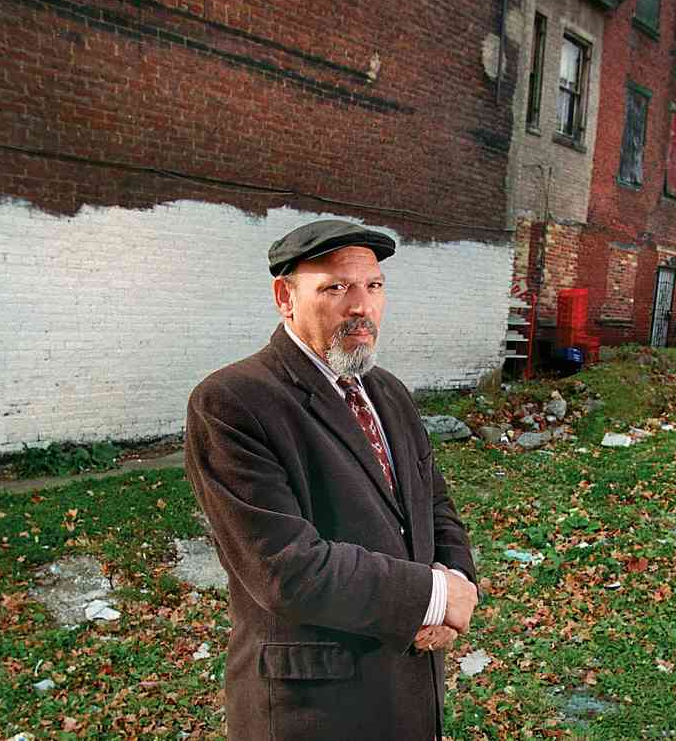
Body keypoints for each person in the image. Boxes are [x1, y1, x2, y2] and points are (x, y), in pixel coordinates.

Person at [185, 219, 478, 741]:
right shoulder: (233, 402)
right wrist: (432, 594)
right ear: (285, 296)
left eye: (373, 286)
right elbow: (286, 570)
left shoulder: (388, 391)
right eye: (335, 287)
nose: (360, 306)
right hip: (315, 709)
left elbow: (435, 504)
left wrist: (457, 584)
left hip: (409, 685)